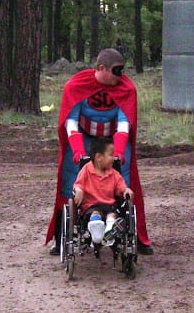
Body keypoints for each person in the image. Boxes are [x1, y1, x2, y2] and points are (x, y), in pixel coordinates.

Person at [46, 48, 153, 255]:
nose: (119, 76)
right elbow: (71, 122)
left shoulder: (126, 89)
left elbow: (123, 124)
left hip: (112, 136)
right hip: (83, 135)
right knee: (71, 180)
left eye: (122, 71)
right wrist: (77, 151)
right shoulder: (77, 86)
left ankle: (130, 233)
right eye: (115, 71)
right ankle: (61, 239)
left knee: (125, 177)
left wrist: (119, 153)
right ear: (101, 68)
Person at [72, 137, 134, 246]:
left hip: (109, 205)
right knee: (95, 214)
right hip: (91, 205)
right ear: (99, 157)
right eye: (111, 155)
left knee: (112, 215)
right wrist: (78, 190)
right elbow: (78, 184)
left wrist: (126, 190)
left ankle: (109, 231)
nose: (114, 158)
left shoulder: (113, 173)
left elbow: (121, 186)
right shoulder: (86, 170)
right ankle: (97, 233)